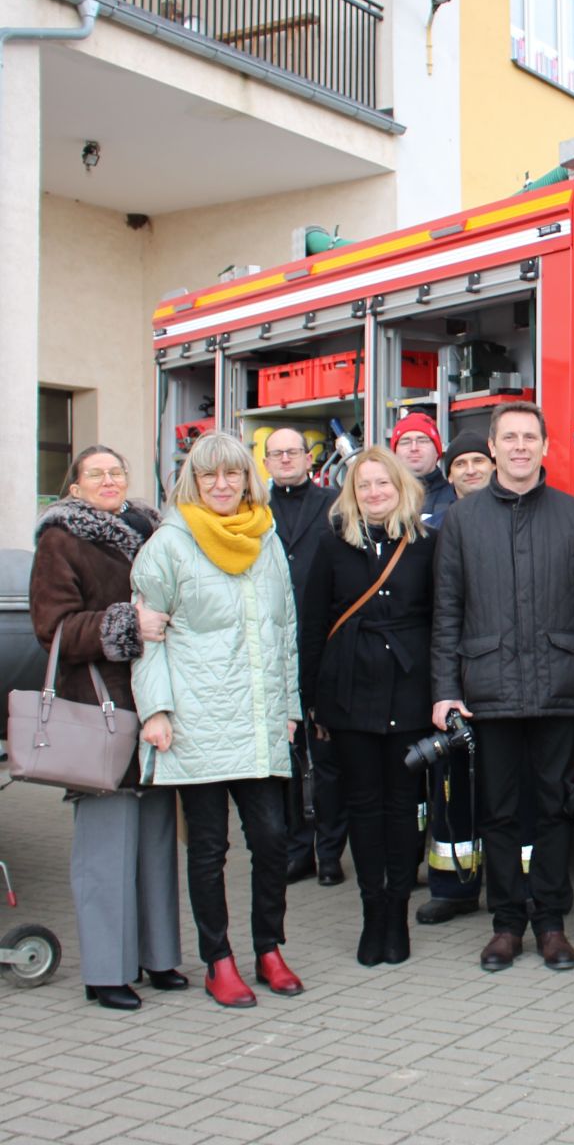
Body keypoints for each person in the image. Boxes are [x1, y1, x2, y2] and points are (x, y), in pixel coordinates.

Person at [430, 401, 574, 973]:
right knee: (500, 813)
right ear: (492, 448)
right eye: (508, 438)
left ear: (545, 446)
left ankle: (553, 925)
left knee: (557, 811)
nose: (519, 447)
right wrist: (444, 689)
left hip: (560, 685)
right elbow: (448, 611)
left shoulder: (573, 514)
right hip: (488, 691)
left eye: (529, 437)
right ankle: (507, 926)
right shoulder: (462, 520)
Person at [131, 431, 304, 1008]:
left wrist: (288, 710)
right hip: (196, 722)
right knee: (208, 849)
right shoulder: (169, 545)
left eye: (232, 474)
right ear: (194, 483)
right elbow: (147, 641)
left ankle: (269, 948)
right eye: (210, 477)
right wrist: (154, 711)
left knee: (273, 841)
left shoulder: (267, 538)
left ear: (247, 479)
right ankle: (218, 960)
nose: (223, 485)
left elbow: (285, 634)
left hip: (257, 720)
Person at [28, 446, 185, 1011]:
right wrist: (127, 624)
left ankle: (159, 956)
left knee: (157, 840)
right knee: (105, 848)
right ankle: (105, 970)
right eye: (96, 474)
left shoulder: (148, 530)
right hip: (101, 708)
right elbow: (53, 629)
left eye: (117, 471)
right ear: (74, 488)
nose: (109, 480)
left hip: (154, 707)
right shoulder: (60, 540)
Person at [299, 447, 436, 967]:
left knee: (402, 809)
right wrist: (312, 699)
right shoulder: (331, 545)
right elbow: (312, 625)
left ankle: (397, 913)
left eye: (383, 483)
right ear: (351, 495)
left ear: (401, 488)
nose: (374, 493)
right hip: (348, 693)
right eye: (364, 486)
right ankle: (371, 911)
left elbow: (442, 619)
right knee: (362, 807)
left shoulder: (426, 545)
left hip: (409, 690)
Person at [415, 428, 502, 925]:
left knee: (506, 786)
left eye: (476, 461)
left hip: (500, 675)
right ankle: (453, 887)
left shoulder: (511, 516)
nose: (469, 470)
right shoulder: (432, 529)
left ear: (492, 464)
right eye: (459, 464)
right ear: (448, 475)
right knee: (451, 786)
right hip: (454, 673)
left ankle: (514, 884)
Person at [263, 427, 346, 888]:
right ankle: (298, 849)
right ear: (267, 463)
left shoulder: (333, 504)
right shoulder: (253, 511)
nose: (285, 460)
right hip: (275, 650)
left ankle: (330, 852)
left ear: (307, 459)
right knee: (286, 761)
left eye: (292, 452)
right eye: (276, 454)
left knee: (329, 761)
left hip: (323, 647)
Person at [392, 411, 455, 524]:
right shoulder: (382, 499)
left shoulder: (457, 497)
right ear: (394, 452)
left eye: (422, 440)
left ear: (437, 451)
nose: (414, 448)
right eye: (405, 442)